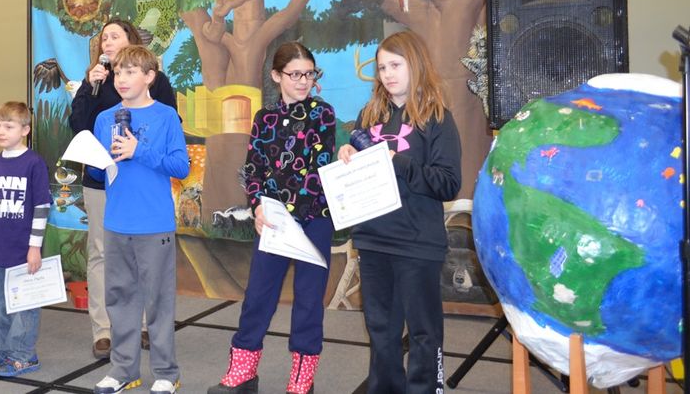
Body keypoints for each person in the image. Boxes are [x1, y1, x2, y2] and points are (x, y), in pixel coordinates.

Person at [208, 42, 337, 394]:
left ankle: (301, 379)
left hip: (315, 219)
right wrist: (259, 206)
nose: (303, 81)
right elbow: (254, 168)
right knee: (258, 296)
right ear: (277, 76)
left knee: (309, 300)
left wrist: (293, 212)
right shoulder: (264, 118)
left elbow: (319, 167)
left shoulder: (323, 114)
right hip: (274, 221)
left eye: (310, 73)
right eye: (295, 74)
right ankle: (243, 371)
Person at [339, 31, 461, 394]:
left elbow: (447, 183)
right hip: (374, 240)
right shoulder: (370, 115)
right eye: (382, 68)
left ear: (416, 64)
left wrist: (398, 162)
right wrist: (348, 156)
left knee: (424, 332)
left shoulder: (437, 118)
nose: (388, 74)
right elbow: (359, 171)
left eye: (396, 65)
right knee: (381, 329)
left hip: (417, 243)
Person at [68, 18, 179, 360]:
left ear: (131, 40)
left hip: (143, 181)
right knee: (102, 253)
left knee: (143, 257)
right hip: (101, 182)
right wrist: (88, 87)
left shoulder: (154, 79)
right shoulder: (97, 81)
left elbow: (168, 126)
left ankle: (145, 325)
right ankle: (103, 330)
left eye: (114, 36)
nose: (107, 43)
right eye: (103, 38)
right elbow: (79, 127)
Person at [87, 45, 189, 394]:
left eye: (131, 72)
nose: (122, 79)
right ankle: (123, 369)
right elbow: (100, 174)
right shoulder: (105, 119)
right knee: (119, 299)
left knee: (159, 300)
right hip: (116, 221)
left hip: (154, 223)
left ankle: (166, 371)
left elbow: (181, 166)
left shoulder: (166, 117)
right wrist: (93, 162)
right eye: (118, 72)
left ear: (150, 77)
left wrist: (139, 151)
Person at [0, 101, 51, 378]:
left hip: (23, 252)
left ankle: (24, 355)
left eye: (9, 126)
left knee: (23, 306)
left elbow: (41, 207)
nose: (1, 131)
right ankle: (2, 351)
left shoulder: (34, 164)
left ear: (25, 130)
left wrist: (34, 248)